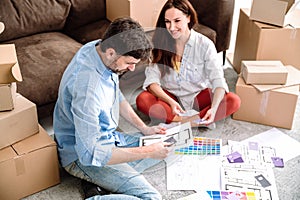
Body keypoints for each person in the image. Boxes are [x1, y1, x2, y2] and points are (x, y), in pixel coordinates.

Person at [53, 17, 172, 200]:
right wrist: (148, 151)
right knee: (152, 197)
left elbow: (115, 94)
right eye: (129, 63)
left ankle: (100, 183)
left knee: (171, 143)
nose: (132, 69)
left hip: (109, 138)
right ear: (111, 53)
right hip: (83, 155)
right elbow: (90, 154)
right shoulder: (87, 91)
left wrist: (145, 129)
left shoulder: (98, 49)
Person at [136, 0, 241, 127]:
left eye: (177, 21)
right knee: (143, 99)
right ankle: (193, 122)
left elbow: (218, 80)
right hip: (171, 98)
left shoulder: (205, 44)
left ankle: (180, 122)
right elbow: (152, 82)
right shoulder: (160, 42)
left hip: (197, 96)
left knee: (233, 100)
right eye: (167, 22)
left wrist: (213, 109)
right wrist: (170, 102)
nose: (172, 27)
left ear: (188, 18)